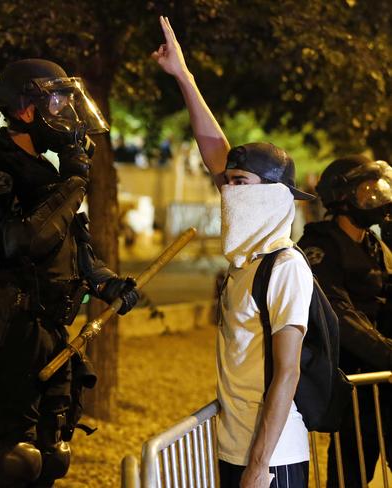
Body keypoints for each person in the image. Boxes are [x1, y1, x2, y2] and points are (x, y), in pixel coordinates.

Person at [0, 58, 139, 487]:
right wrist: (74, 183)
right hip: (6, 329)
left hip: (50, 329)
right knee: (14, 457)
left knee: (51, 454)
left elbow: (71, 239)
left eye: (68, 100)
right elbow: (23, 240)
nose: (66, 112)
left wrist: (105, 282)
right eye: (56, 100)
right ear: (26, 108)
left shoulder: (45, 170)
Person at [153, 16, 314, 488]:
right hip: (233, 446)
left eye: (240, 184)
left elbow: (287, 374)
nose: (228, 193)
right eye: (227, 183)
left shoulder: (285, 267)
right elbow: (216, 151)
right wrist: (184, 77)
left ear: (273, 195)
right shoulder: (247, 262)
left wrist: (260, 465)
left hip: (272, 460)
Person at [298, 155, 392, 487]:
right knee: (349, 474)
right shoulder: (317, 248)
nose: (378, 198)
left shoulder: (374, 245)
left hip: (383, 380)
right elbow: (340, 316)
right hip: (351, 385)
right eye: (368, 191)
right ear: (341, 198)